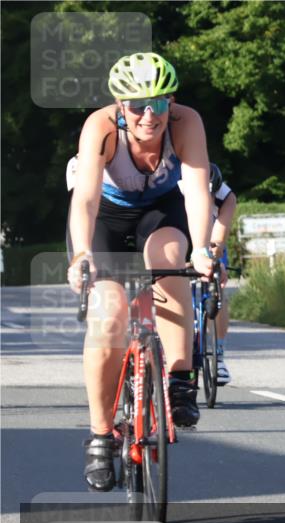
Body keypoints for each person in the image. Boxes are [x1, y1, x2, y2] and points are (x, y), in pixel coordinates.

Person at [66, 52, 215, 491]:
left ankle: (180, 381)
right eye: (136, 105)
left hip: (160, 211)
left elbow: (197, 190)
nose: (149, 114)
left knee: (170, 259)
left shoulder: (187, 123)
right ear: (120, 106)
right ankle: (99, 436)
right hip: (106, 218)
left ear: (172, 101)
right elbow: (86, 199)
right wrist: (80, 257)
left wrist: (203, 248)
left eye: (159, 103)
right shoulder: (101, 127)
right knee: (108, 312)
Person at [178, 163, 237, 384]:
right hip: (182, 234)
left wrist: (212, 254)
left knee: (218, 290)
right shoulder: (178, 190)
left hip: (209, 240)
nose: (209, 199)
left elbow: (219, 237)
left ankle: (219, 354)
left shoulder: (226, 197)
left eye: (212, 195)